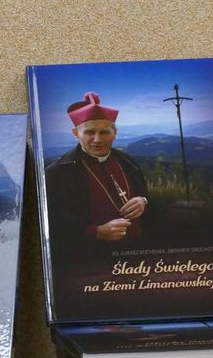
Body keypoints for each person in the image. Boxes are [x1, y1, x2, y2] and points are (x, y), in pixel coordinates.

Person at [45, 92, 149, 263]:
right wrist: (96, 232)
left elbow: (143, 192)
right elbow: (53, 225)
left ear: (114, 132)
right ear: (76, 133)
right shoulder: (58, 173)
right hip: (92, 262)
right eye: (89, 132)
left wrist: (142, 200)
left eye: (104, 132)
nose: (97, 139)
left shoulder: (127, 161)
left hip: (139, 253)